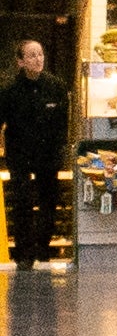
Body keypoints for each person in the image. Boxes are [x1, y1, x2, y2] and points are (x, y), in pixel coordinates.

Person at [2, 37, 69, 268]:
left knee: (49, 202)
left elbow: (63, 124)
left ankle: (43, 248)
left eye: (40, 54)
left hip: (48, 154)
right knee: (22, 202)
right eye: (31, 55)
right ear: (20, 61)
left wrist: (61, 150)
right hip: (19, 154)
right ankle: (24, 254)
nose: (38, 59)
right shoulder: (9, 90)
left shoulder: (56, 86)